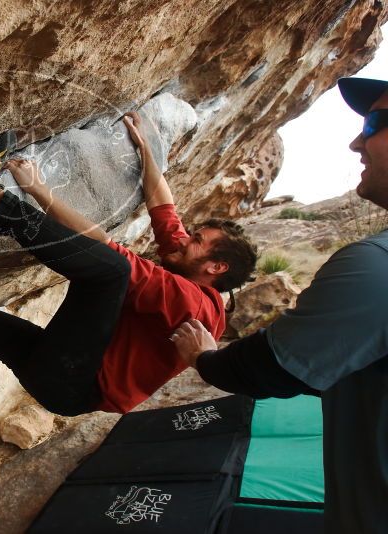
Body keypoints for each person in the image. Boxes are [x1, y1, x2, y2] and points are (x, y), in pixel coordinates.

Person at [0, 112, 258, 417]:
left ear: (216, 268)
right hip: (58, 369)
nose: (186, 238)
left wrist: (38, 190)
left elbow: (105, 250)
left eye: (198, 242)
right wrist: (147, 151)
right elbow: (164, 208)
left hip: (77, 382)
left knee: (112, 273)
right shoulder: (186, 267)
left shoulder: (193, 305)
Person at [170, 77, 388, 533]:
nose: (356, 142)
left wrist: (203, 356)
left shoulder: (376, 267)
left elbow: (268, 369)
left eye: (374, 123)